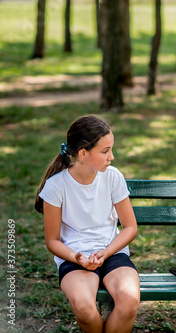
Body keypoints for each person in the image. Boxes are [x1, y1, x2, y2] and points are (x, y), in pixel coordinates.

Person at [34, 115, 140, 333]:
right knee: (84, 309)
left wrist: (106, 252)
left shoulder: (113, 177)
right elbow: (52, 241)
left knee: (129, 300)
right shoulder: (56, 186)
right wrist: (77, 258)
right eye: (105, 151)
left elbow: (130, 227)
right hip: (74, 257)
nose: (112, 156)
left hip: (113, 253)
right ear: (83, 153)